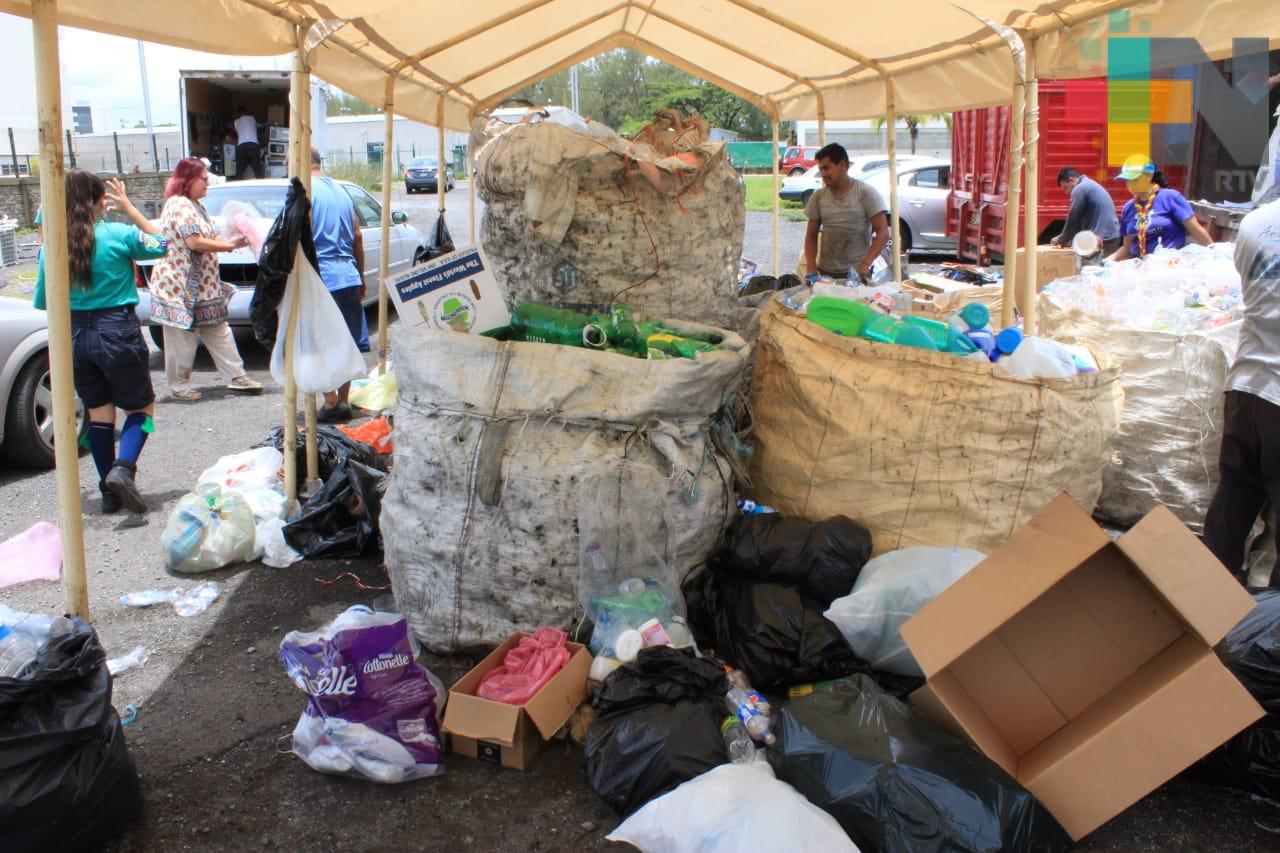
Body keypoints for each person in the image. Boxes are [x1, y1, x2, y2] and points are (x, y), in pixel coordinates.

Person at [33, 171, 167, 514]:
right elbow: (163, 243)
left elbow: (44, 302)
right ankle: (124, 469)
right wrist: (130, 210)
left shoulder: (53, 246)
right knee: (142, 409)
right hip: (117, 330)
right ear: (100, 201)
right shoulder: (118, 234)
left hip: (73, 337)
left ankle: (108, 492)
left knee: (99, 414)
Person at [1204, 199, 1280, 587]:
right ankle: (1270, 637)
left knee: (1231, 503)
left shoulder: (1254, 224)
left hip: (1246, 386)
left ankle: (1202, 611)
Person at [147, 157, 263, 400]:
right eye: (204, 179)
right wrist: (229, 247)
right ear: (188, 180)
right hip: (180, 286)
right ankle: (179, 387)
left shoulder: (195, 205)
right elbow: (195, 242)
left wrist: (236, 240)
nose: (207, 184)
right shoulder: (180, 205)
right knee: (183, 338)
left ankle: (237, 376)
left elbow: (210, 236)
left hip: (202, 286)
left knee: (219, 331)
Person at [309, 147, 367, 423]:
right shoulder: (341, 191)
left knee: (314, 343)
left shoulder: (305, 192)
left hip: (322, 278)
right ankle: (343, 401)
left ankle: (331, 399)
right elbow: (357, 235)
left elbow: (299, 237)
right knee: (346, 343)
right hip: (348, 276)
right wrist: (362, 276)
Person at [803, 142, 890, 283]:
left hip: (857, 272)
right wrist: (811, 266)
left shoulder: (866, 193)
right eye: (821, 169)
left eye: (826, 168)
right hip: (825, 271)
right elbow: (811, 235)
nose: (823, 174)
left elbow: (883, 233)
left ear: (843, 166)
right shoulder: (818, 197)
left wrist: (865, 264)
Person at [1107, 155, 1213, 261]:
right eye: (1127, 181)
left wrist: (1214, 253)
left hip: (1169, 264)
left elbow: (1196, 231)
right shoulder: (1128, 208)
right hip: (1140, 268)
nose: (1130, 185)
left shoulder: (1171, 198)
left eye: (1135, 180)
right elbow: (1127, 248)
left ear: (1149, 175)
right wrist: (1104, 263)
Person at [1049, 167, 1121, 257]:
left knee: (1094, 269)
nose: (1067, 192)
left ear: (1071, 180)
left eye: (1065, 188)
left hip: (1102, 238)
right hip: (1112, 235)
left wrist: (1062, 239)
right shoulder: (1090, 185)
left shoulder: (1080, 188)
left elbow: (1074, 217)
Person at [231, 106, 262, 180]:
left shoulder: (236, 122)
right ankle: (261, 186)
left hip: (242, 147)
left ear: (238, 113)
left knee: (239, 171)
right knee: (257, 170)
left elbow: (233, 130)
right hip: (253, 146)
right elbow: (259, 126)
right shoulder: (252, 118)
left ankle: (238, 188)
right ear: (246, 112)